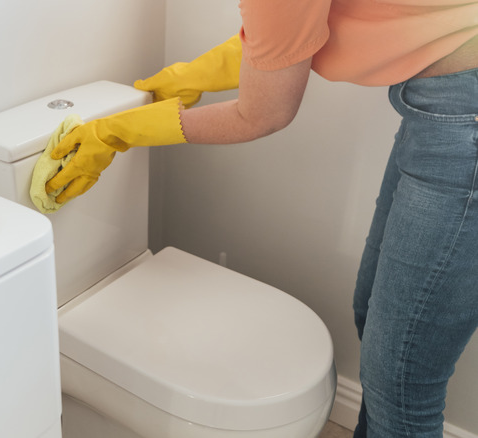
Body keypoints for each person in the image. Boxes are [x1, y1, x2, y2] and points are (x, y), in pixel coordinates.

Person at [44, 0, 478, 437]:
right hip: (440, 110)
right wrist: (192, 75)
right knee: (375, 322)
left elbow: (263, 112)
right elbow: (292, 38)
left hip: (464, 114)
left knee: (400, 383)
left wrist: (122, 131)